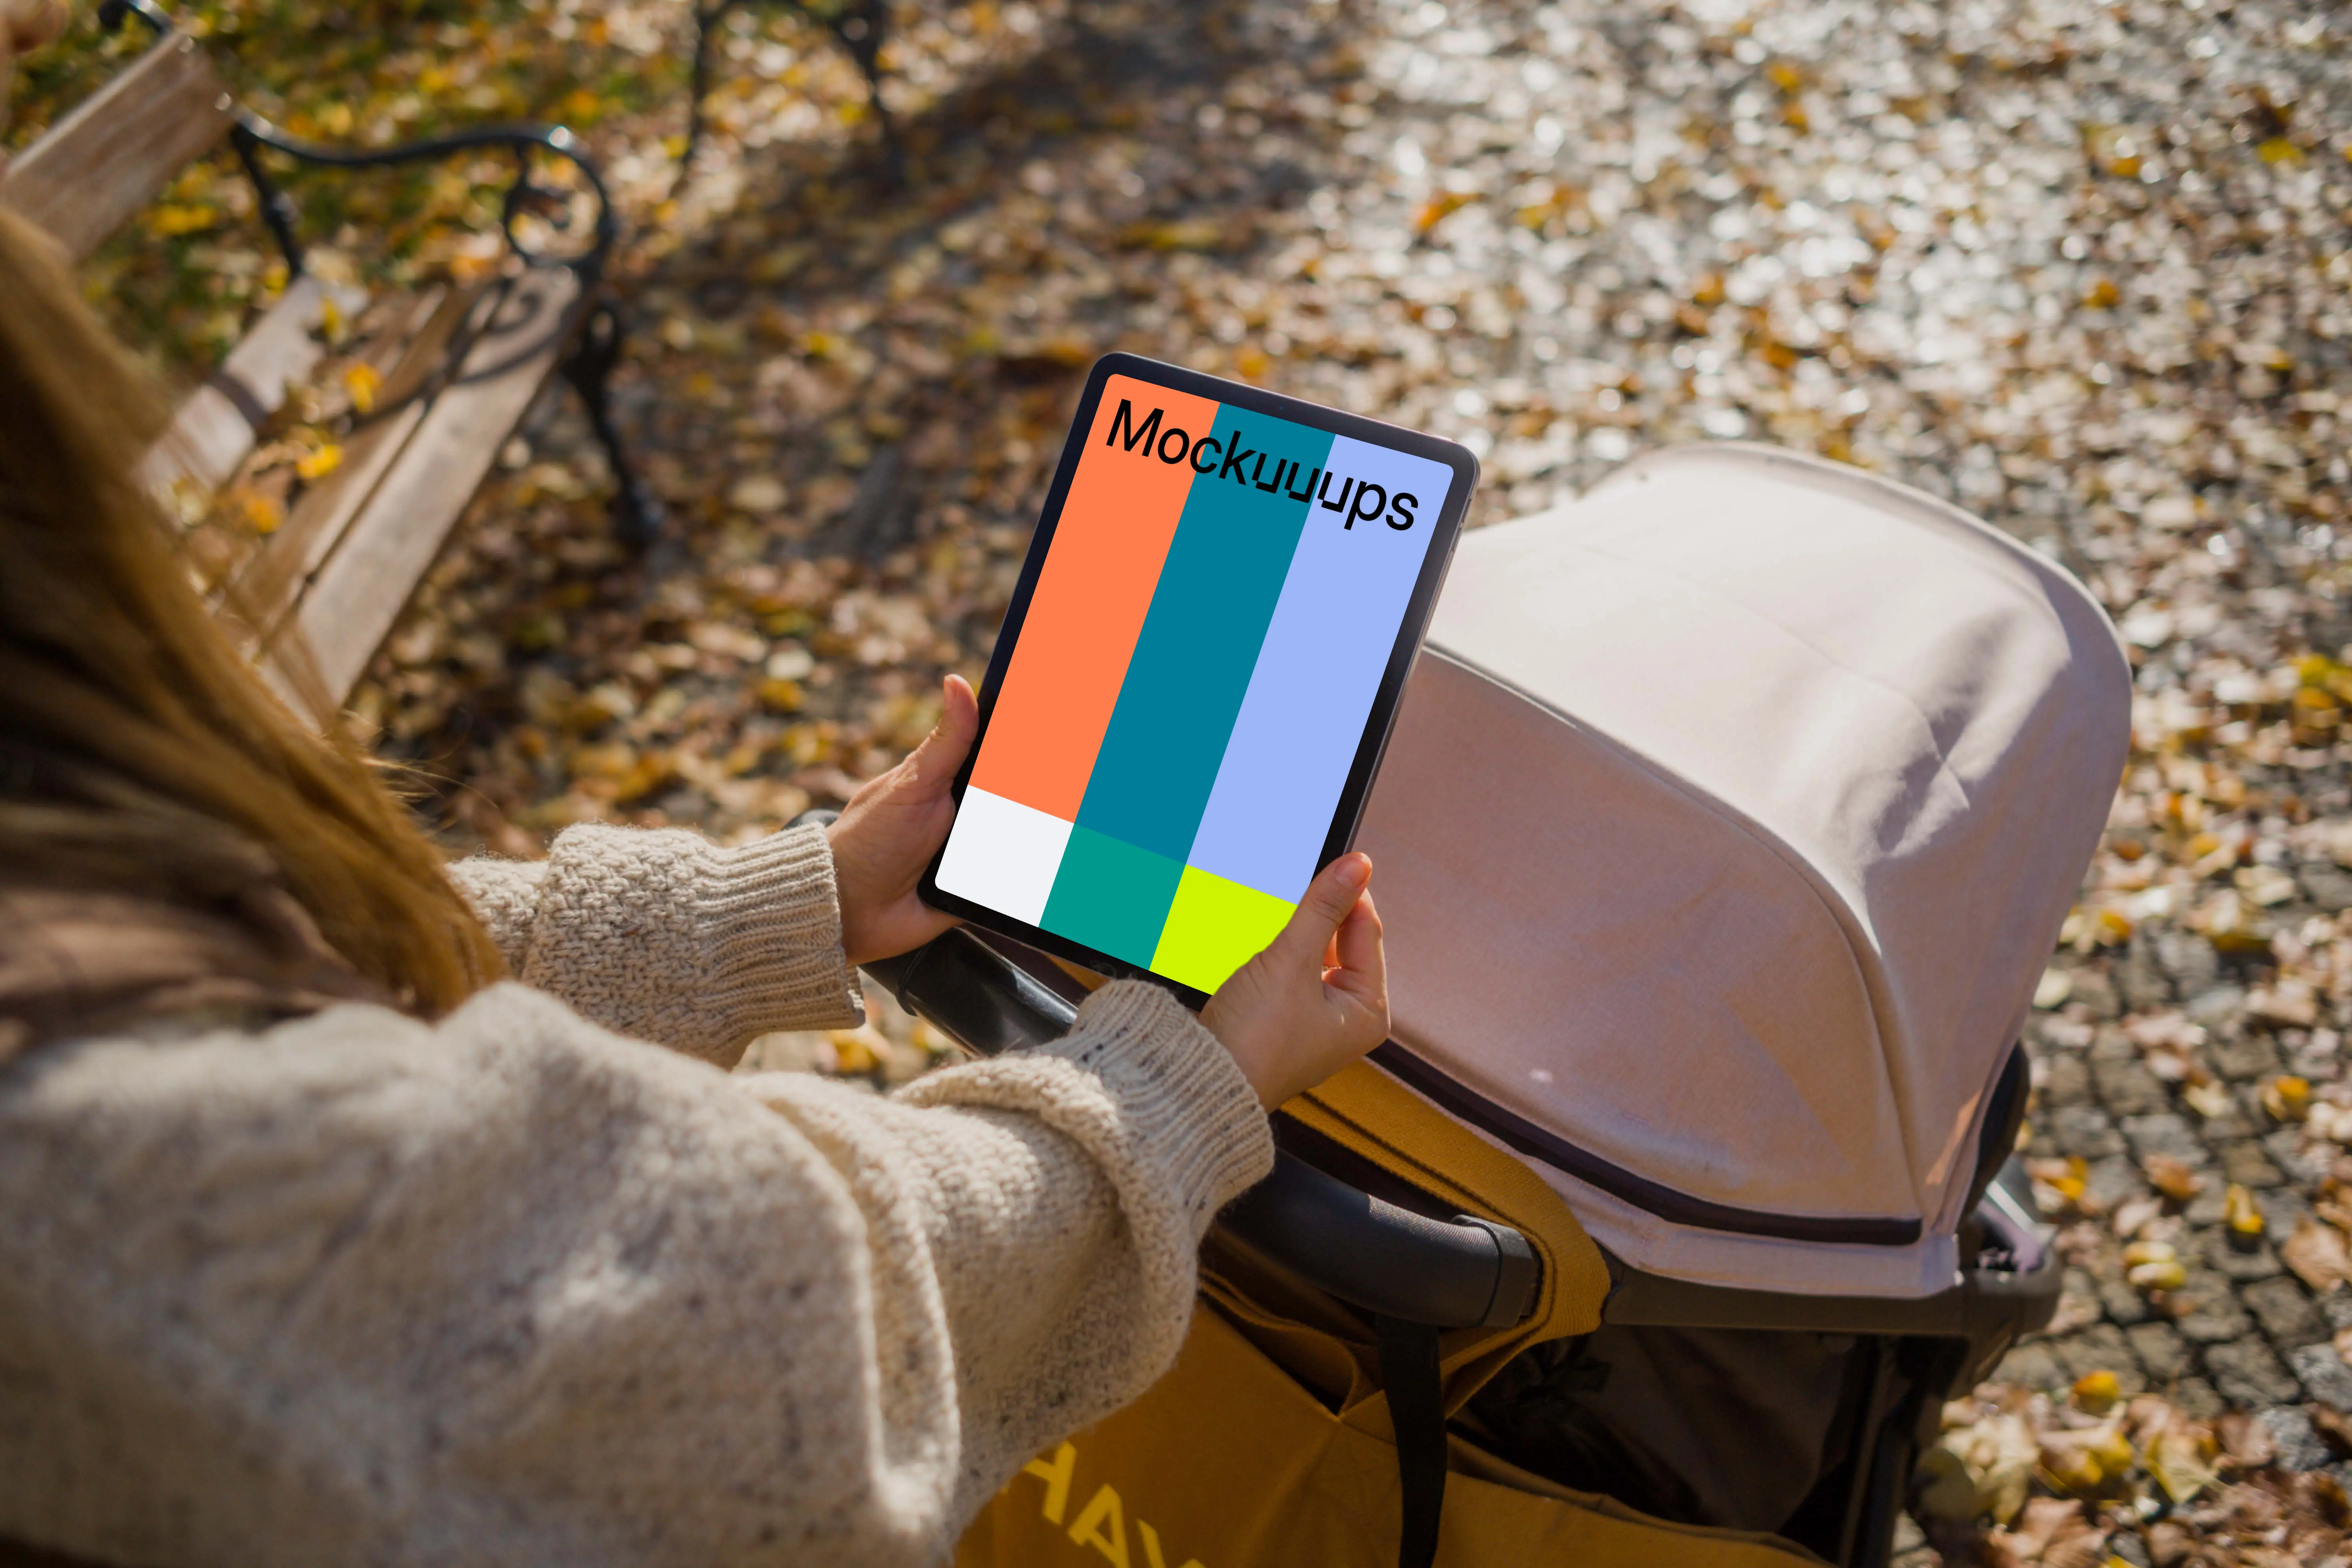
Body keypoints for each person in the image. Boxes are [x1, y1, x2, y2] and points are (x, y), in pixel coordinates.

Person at [0, 18, 1390, 1560]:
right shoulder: (95, 1159)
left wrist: (767, 909)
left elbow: (307, 955)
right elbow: (771, 1342)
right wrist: (1168, 1096)